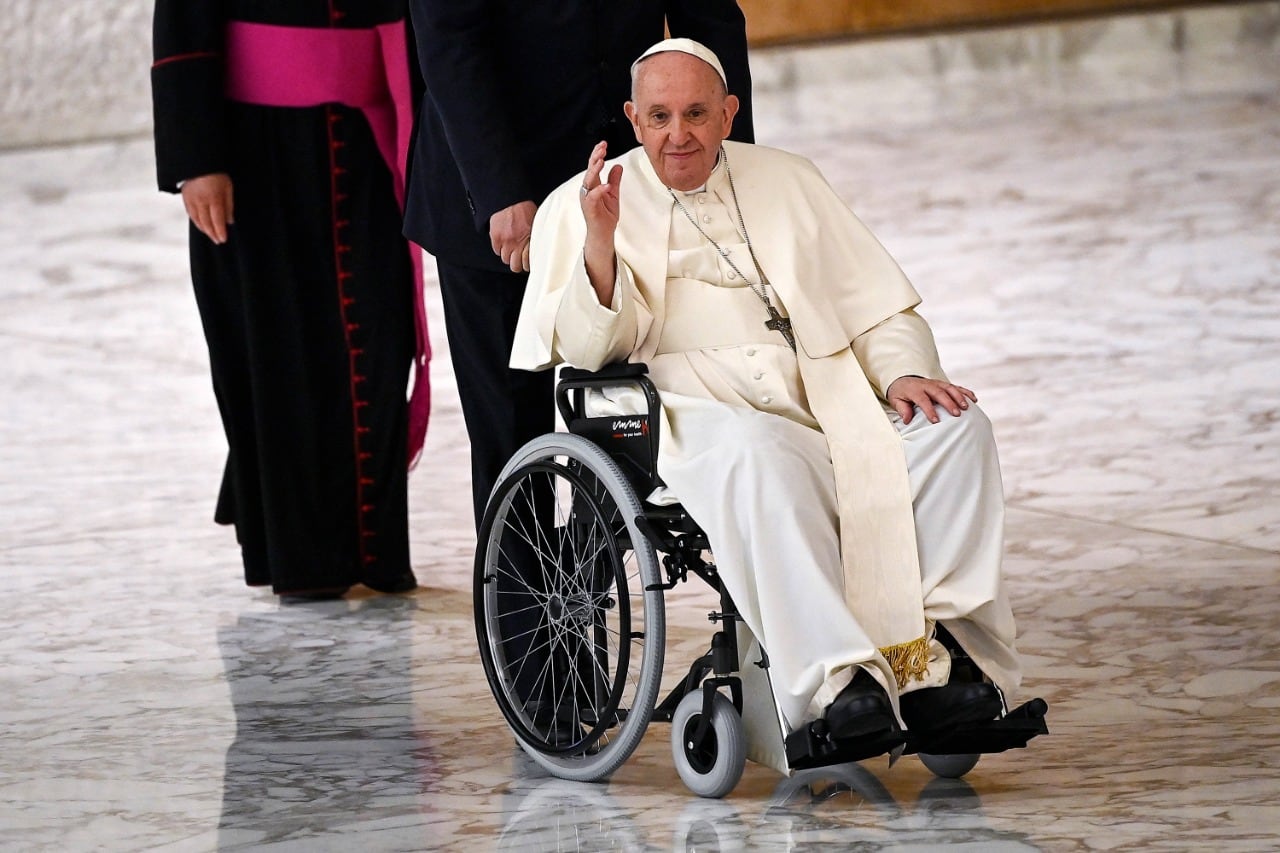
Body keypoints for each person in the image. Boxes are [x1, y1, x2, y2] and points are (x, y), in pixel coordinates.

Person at [511, 39, 1023, 744]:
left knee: (955, 429)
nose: (678, 134)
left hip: (822, 392)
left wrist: (901, 372)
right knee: (761, 456)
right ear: (633, 118)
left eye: (696, 113)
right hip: (693, 409)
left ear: (729, 113)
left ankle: (941, 662)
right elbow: (590, 350)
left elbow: (874, 306)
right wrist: (599, 240)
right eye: (658, 116)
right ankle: (839, 682)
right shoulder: (589, 201)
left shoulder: (789, 179)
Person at [403, 1, 754, 529]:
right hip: (497, 184)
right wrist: (500, 189)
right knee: (508, 418)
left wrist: (731, 161)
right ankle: (522, 607)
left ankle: (594, 579)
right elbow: (451, 42)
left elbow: (708, 17)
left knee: (619, 402)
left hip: (626, 180)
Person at [151, 1, 430, 600]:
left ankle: (376, 547)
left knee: (380, 342)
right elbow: (181, 18)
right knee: (278, 353)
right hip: (255, 150)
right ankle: (305, 560)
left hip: (369, 134)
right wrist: (196, 160)